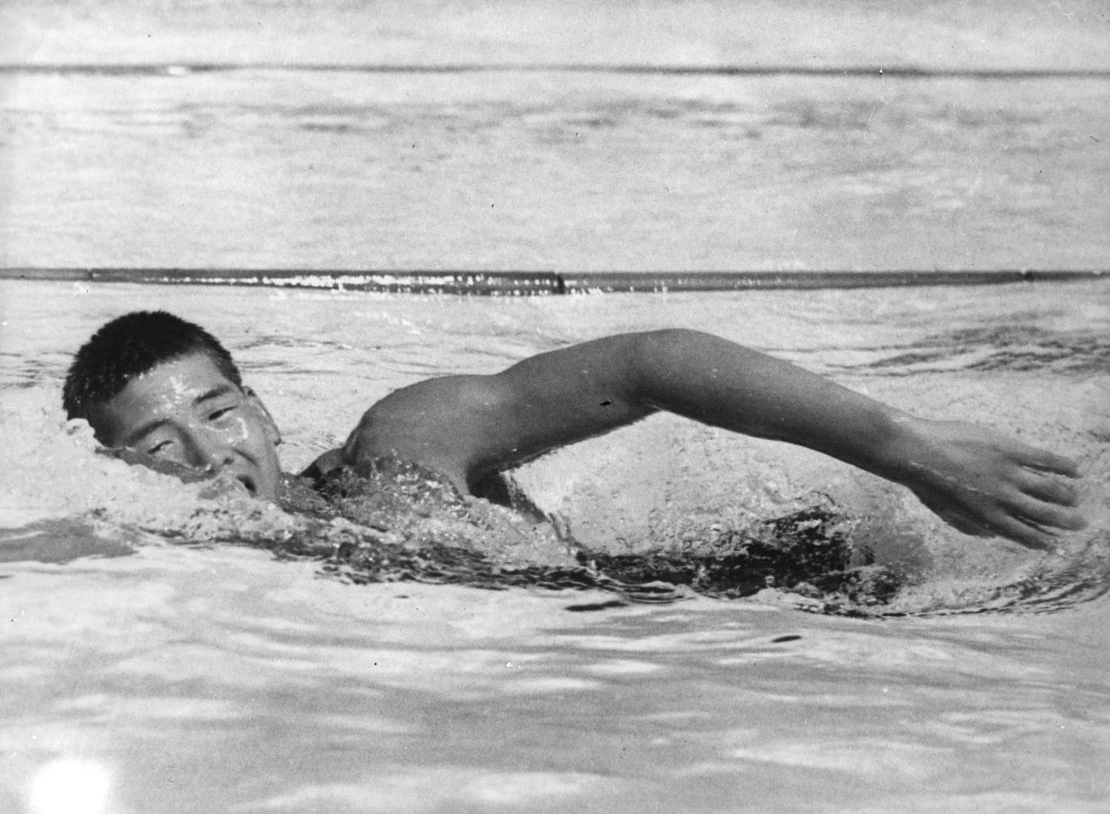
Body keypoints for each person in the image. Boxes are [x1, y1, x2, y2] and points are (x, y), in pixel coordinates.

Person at [62, 310, 1086, 551]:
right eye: (159, 448)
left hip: (787, 589)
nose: (210, 458)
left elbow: (649, 364)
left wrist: (909, 449)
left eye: (219, 412)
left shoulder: (397, 451)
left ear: (264, 410)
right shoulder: (169, 568)